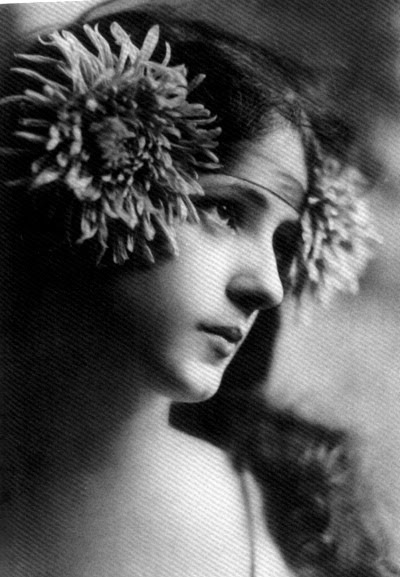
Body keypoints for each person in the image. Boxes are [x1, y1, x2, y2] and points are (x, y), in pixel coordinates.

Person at [0, 4, 396, 576]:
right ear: (92, 177)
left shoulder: (290, 529)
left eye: (283, 243)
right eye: (225, 211)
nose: (268, 286)